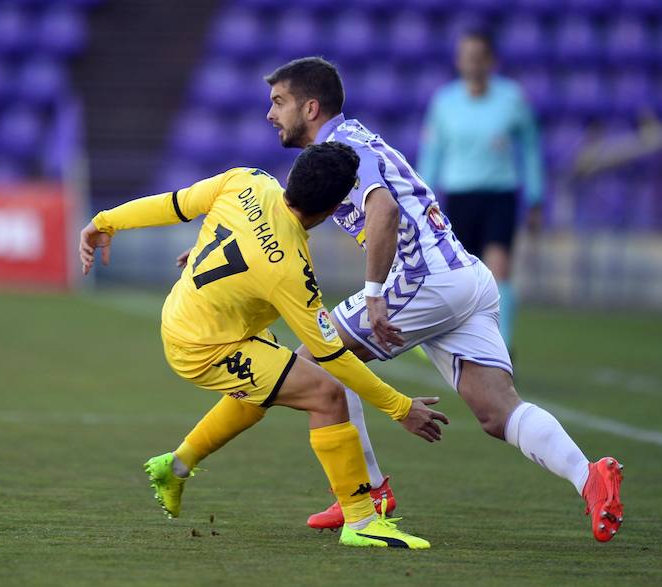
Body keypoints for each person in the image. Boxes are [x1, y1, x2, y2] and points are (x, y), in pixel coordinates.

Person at [172, 57, 623, 542]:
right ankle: (590, 476)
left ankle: (368, 494)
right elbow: (288, 211)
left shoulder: (342, 146)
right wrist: (219, 245)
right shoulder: (348, 143)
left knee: (317, 364)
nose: (270, 114)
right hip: (464, 276)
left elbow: (382, 211)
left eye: (278, 103)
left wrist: (373, 297)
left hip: (423, 278)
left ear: (310, 106)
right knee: (497, 413)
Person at [80, 142, 447, 549]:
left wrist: (105, 221)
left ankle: (177, 465)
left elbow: (175, 204)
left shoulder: (247, 180)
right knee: (326, 392)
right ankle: (361, 520)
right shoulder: (290, 269)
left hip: (194, 313)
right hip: (204, 346)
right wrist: (400, 407)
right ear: (332, 210)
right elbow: (332, 356)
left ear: (292, 175)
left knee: (266, 390)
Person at [418, 29, 544, 351]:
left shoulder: (512, 98)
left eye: (478, 56)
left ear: (491, 61)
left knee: (498, 268)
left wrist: (535, 196)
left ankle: (502, 346)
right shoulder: (444, 102)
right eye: (466, 56)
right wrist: (420, 197)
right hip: (459, 196)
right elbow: (433, 152)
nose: (471, 63)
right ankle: (468, 343)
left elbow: (530, 147)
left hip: (499, 194)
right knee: (465, 278)